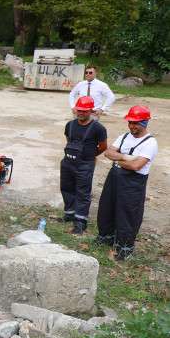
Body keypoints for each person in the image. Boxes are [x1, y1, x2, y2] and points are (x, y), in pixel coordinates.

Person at [96, 105, 158, 260]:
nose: (131, 126)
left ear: (145, 122)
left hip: (133, 183)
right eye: (130, 122)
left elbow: (136, 166)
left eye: (135, 123)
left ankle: (125, 247)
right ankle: (106, 237)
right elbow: (108, 152)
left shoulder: (150, 143)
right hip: (114, 177)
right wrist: (126, 157)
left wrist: (118, 159)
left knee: (128, 213)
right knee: (107, 206)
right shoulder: (124, 136)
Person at [60, 96, 108, 234]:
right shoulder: (70, 125)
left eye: (84, 111)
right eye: (79, 110)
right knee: (66, 188)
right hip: (68, 162)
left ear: (91, 111)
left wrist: (90, 156)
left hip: (85, 165)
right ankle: (69, 214)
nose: (81, 113)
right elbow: (69, 141)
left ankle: (80, 221)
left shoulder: (98, 128)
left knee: (83, 192)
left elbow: (103, 147)